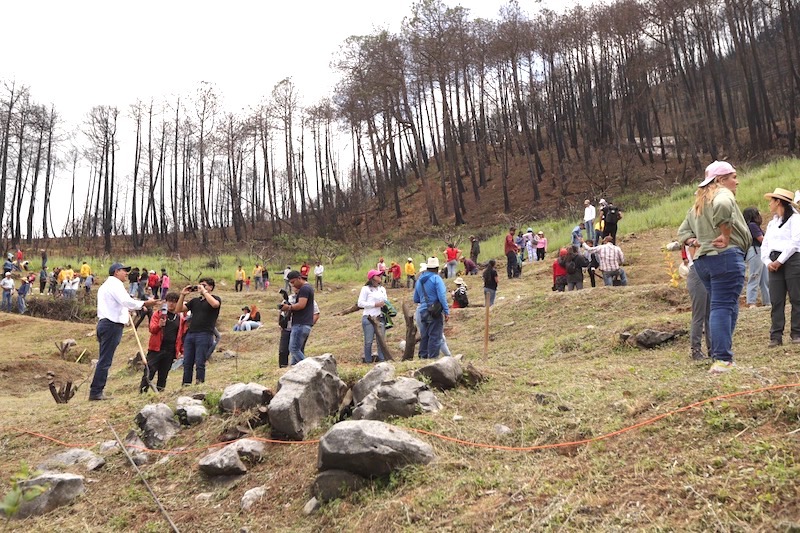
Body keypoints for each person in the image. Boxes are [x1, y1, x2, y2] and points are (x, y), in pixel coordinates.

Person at [678, 160, 748, 374]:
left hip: (703, 262)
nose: (736, 181)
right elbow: (724, 207)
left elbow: (683, 232)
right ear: (719, 180)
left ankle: (722, 353)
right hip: (724, 257)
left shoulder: (698, 204)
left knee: (725, 305)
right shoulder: (722, 194)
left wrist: (694, 242)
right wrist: (726, 235)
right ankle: (721, 359)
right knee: (721, 307)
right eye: (733, 176)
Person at [91, 262, 158, 400]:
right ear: (116, 272)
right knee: (105, 360)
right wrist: (144, 303)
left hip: (106, 324)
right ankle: (96, 392)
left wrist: (135, 305)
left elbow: (122, 302)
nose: (126, 273)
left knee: (104, 358)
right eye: (124, 271)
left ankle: (96, 390)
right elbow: (125, 301)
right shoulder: (114, 284)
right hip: (111, 325)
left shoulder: (106, 286)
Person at [761, 188, 800, 347]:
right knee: (776, 299)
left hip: (792, 259)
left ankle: (796, 332)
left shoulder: (795, 220)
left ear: (778, 202)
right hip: (774, 259)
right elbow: (766, 244)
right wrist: (767, 261)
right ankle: (776, 335)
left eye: (772, 200)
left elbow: (795, 242)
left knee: (796, 297)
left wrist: (781, 261)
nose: (769, 204)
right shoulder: (772, 223)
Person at [176, 278, 221, 385]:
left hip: (205, 333)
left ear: (211, 287)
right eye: (200, 285)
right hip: (191, 333)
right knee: (187, 362)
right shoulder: (195, 301)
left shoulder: (215, 298)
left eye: (205, 285)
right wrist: (182, 295)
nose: (201, 287)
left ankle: (199, 383)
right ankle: (186, 384)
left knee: (200, 361)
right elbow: (178, 309)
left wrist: (204, 292)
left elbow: (215, 304)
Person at [140, 292, 187, 393]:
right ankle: (142, 393)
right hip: (156, 349)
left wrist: (181, 350)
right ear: (165, 302)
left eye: (175, 302)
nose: (172, 304)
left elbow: (181, 335)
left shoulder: (180, 317)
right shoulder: (158, 314)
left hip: (170, 350)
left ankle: (160, 394)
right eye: (170, 301)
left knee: (163, 374)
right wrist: (159, 325)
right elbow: (152, 329)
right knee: (149, 371)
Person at [413, 257, 449, 359]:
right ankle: (433, 359)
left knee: (425, 336)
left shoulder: (419, 280)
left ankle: (422, 358)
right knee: (435, 336)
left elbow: (415, 299)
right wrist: (446, 311)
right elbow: (442, 296)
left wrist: (425, 300)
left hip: (422, 311)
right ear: (437, 268)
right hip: (434, 312)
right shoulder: (436, 278)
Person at [278, 285, 320, 368]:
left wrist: (309, 324)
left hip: (299, 326)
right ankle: (284, 368)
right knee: (283, 350)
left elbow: (316, 313)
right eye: (294, 286)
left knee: (296, 349)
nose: (296, 288)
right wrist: (280, 323)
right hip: (287, 327)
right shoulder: (289, 298)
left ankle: (307, 368)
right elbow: (281, 312)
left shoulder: (308, 299)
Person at [683, 244, 711, 360]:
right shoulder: (692, 237)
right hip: (697, 270)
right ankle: (696, 350)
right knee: (699, 314)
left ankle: (713, 348)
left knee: (710, 314)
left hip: (708, 270)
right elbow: (695, 256)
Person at [358, 269, 388, 363]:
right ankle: (368, 360)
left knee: (381, 341)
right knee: (368, 341)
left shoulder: (382, 289)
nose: (380, 277)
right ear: (372, 278)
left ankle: (382, 359)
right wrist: (374, 304)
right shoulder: (366, 289)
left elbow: (386, 300)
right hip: (369, 317)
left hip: (380, 316)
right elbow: (360, 303)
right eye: (378, 276)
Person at [743, 207, 770, 308]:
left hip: (758, 251)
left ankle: (767, 301)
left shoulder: (750, 225)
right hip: (756, 251)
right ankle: (751, 302)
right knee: (755, 276)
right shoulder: (752, 225)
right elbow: (761, 239)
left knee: (764, 278)